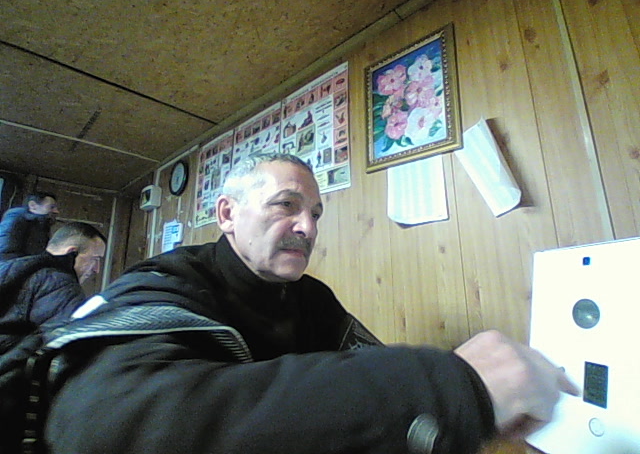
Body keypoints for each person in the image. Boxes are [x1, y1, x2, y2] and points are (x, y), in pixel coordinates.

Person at [38, 154, 577, 454]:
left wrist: (467, 404)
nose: (308, 227)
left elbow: (369, 365)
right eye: (286, 206)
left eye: (315, 213)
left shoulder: (312, 298)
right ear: (227, 214)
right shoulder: (165, 282)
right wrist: (452, 387)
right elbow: (100, 424)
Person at [0, 221, 106, 353]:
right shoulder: (61, 284)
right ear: (72, 252)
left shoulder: (12, 267)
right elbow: (69, 347)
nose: (97, 269)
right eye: (95, 259)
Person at [0, 192, 60, 261]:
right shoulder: (16, 218)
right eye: (51, 207)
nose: (56, 211)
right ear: (33, 205)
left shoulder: (42, 225)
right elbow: (5, 254)